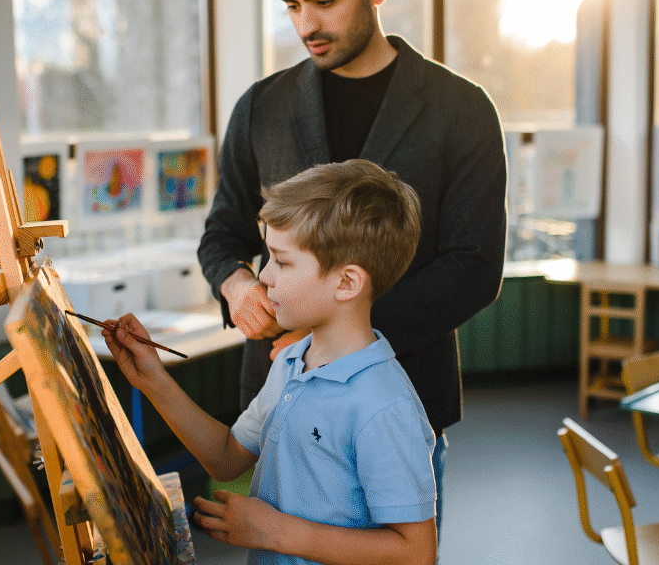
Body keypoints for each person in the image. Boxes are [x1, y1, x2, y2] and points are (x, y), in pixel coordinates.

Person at [197, 0, 508, 533]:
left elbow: (474, 270)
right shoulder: (261, 107)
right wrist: (237, 288)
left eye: (324, 0)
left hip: (402, 395)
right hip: (278, 400)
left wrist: (333, 337)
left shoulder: (462, 109)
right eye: (291, 5)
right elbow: (222, 235)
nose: (305, 25)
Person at [105, 160, 436, 565]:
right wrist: (153, 379)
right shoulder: (291, 363)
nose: (264, 276)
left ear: (347, 282)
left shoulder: (382, 405)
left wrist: (277, 532)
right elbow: (226, 457)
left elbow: (416, 551)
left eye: (282, 261)